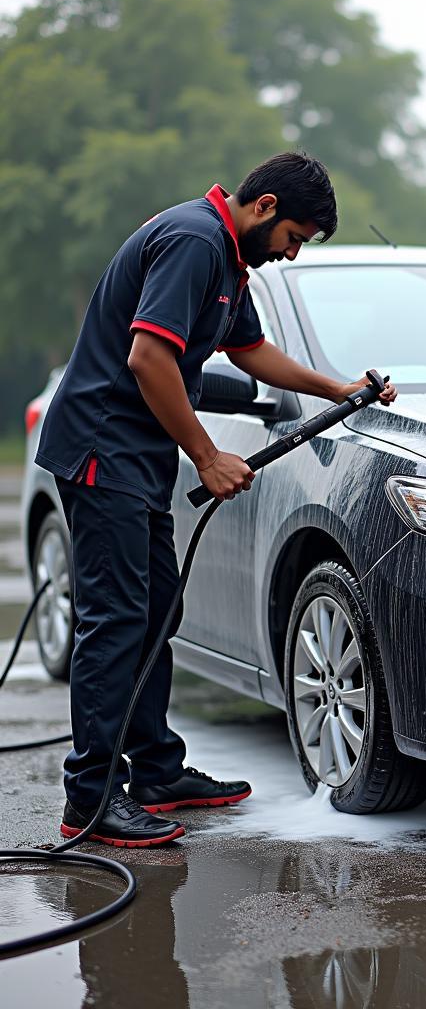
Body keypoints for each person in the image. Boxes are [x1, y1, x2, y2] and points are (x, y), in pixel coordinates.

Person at [35, 152, 398, 845]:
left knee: (153, 613)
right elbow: (148, 357)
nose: (290, 255)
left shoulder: (230, 259)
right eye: (294, 237)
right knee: (116, 623)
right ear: (263, 207)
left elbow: (250, 351)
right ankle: (91, 799)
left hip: (133, 457)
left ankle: (156, 772)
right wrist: (206, 453)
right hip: (99, 449)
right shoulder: (196, 241)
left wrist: (339, 388)